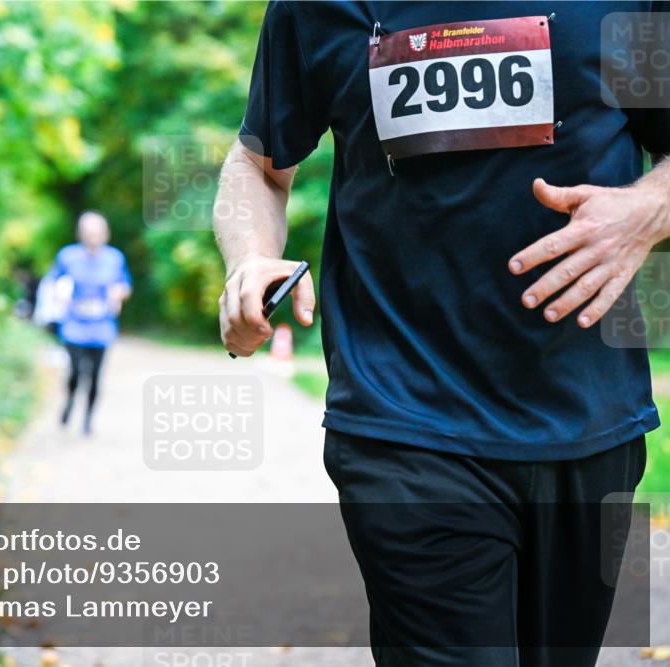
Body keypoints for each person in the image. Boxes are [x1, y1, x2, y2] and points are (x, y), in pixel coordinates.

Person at [214, 2, 669, 665]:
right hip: (403, 417)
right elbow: (256, 163)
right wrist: (250, 256)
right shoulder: (317, 9)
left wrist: (649, 208)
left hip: (589, 413)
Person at [47, 211, 132, 435]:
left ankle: (87, 420)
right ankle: (70, 402)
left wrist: (119, 293)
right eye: (88, 233)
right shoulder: (67, 256)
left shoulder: (115, 258)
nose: (93, 237)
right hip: (74, 325)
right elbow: (55, 280)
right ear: (80, 234)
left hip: (102, 326)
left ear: (105, 234)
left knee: (95, 376)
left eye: (97, 233)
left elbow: (124, 284)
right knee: (75, 372)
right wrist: (61, 292)